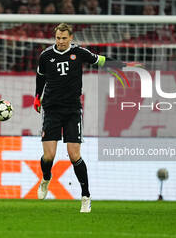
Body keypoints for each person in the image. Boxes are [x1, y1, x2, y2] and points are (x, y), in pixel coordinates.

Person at [33, 23, 125, 213]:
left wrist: (120, 64)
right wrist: (37, 97)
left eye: (64, 38)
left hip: (72, 110)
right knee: (48, 156)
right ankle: (46, 178)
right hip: (51, 109)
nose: (60, 41)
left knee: (74, 155)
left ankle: (85, 196)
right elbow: (40, 77)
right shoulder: (46, 56)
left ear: (71, 38)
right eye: (57, 38)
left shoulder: (79, 53)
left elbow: (99, 60)